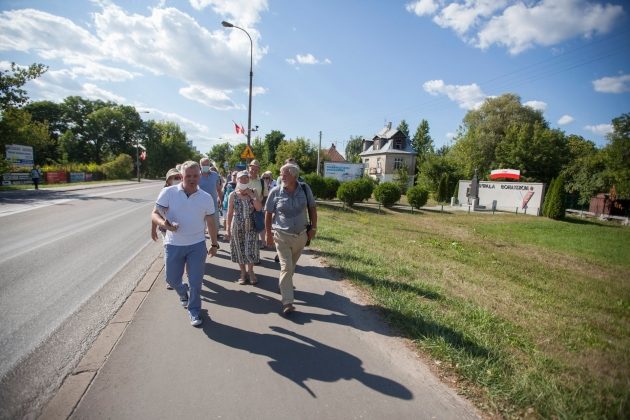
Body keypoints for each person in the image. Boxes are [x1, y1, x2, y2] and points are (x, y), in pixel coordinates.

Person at [151, 161, 219, 327]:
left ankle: (194, 310)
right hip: (173, 244)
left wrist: (214, 243)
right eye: (188, 176)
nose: (191, 179)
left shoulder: (206, 197)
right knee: (172, 279)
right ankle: (182, 292)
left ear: (200, 176)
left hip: (196, 244)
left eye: (195, 176)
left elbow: (211, 222)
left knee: (196, 282)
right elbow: (155, 213)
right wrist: (164, 225)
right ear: (181, 176)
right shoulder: (169, 192)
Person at [264, 163, 317, 315]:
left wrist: (313, 228)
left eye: (285, 175)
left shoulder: (305, 189)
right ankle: (287, 301)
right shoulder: (275, 192)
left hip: (301, 235)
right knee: (286, 267)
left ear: (294, 175)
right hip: (282, 236)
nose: (282, 177)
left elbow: (312, 208)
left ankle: (284, 284)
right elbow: (268, 214)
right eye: (281, 175)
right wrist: (268, 234)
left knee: (291, 267)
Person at [225, 171, 262, 285]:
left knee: (250, 250)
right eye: (241, 179)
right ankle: (242, 272)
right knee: (239, 250)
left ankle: (250, 272)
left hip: (251, 225)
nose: (244, 180)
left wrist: (251, 195)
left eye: (246, 178)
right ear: (237, 180)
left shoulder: (254, 192)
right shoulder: (233, 194)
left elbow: (259, 208)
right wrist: (227, 229)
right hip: (237, 226)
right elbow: (230, 213)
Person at [151, 169, 182, 290]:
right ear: (168, 180)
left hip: (181, 228)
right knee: (169, 254)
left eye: (178, 177)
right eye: (173, 178)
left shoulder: (185, 191)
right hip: (167, 228)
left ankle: (181, 276)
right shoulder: (164, 192)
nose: (176, 180)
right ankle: (170, 280)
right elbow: (155, 212)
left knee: (180, 254)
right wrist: (153, 230)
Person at [198, 157, 223, 233]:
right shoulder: (196, 176)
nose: (205, 166)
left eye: (207, 164)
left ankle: (214, 240)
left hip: (213, 203)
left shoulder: (215, 175)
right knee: (200, 225)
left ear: (209, 165)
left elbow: (218, 189)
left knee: (214, 224)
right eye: (203, 164)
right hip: (199, 204)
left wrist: (221, 200)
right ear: (200, 165)